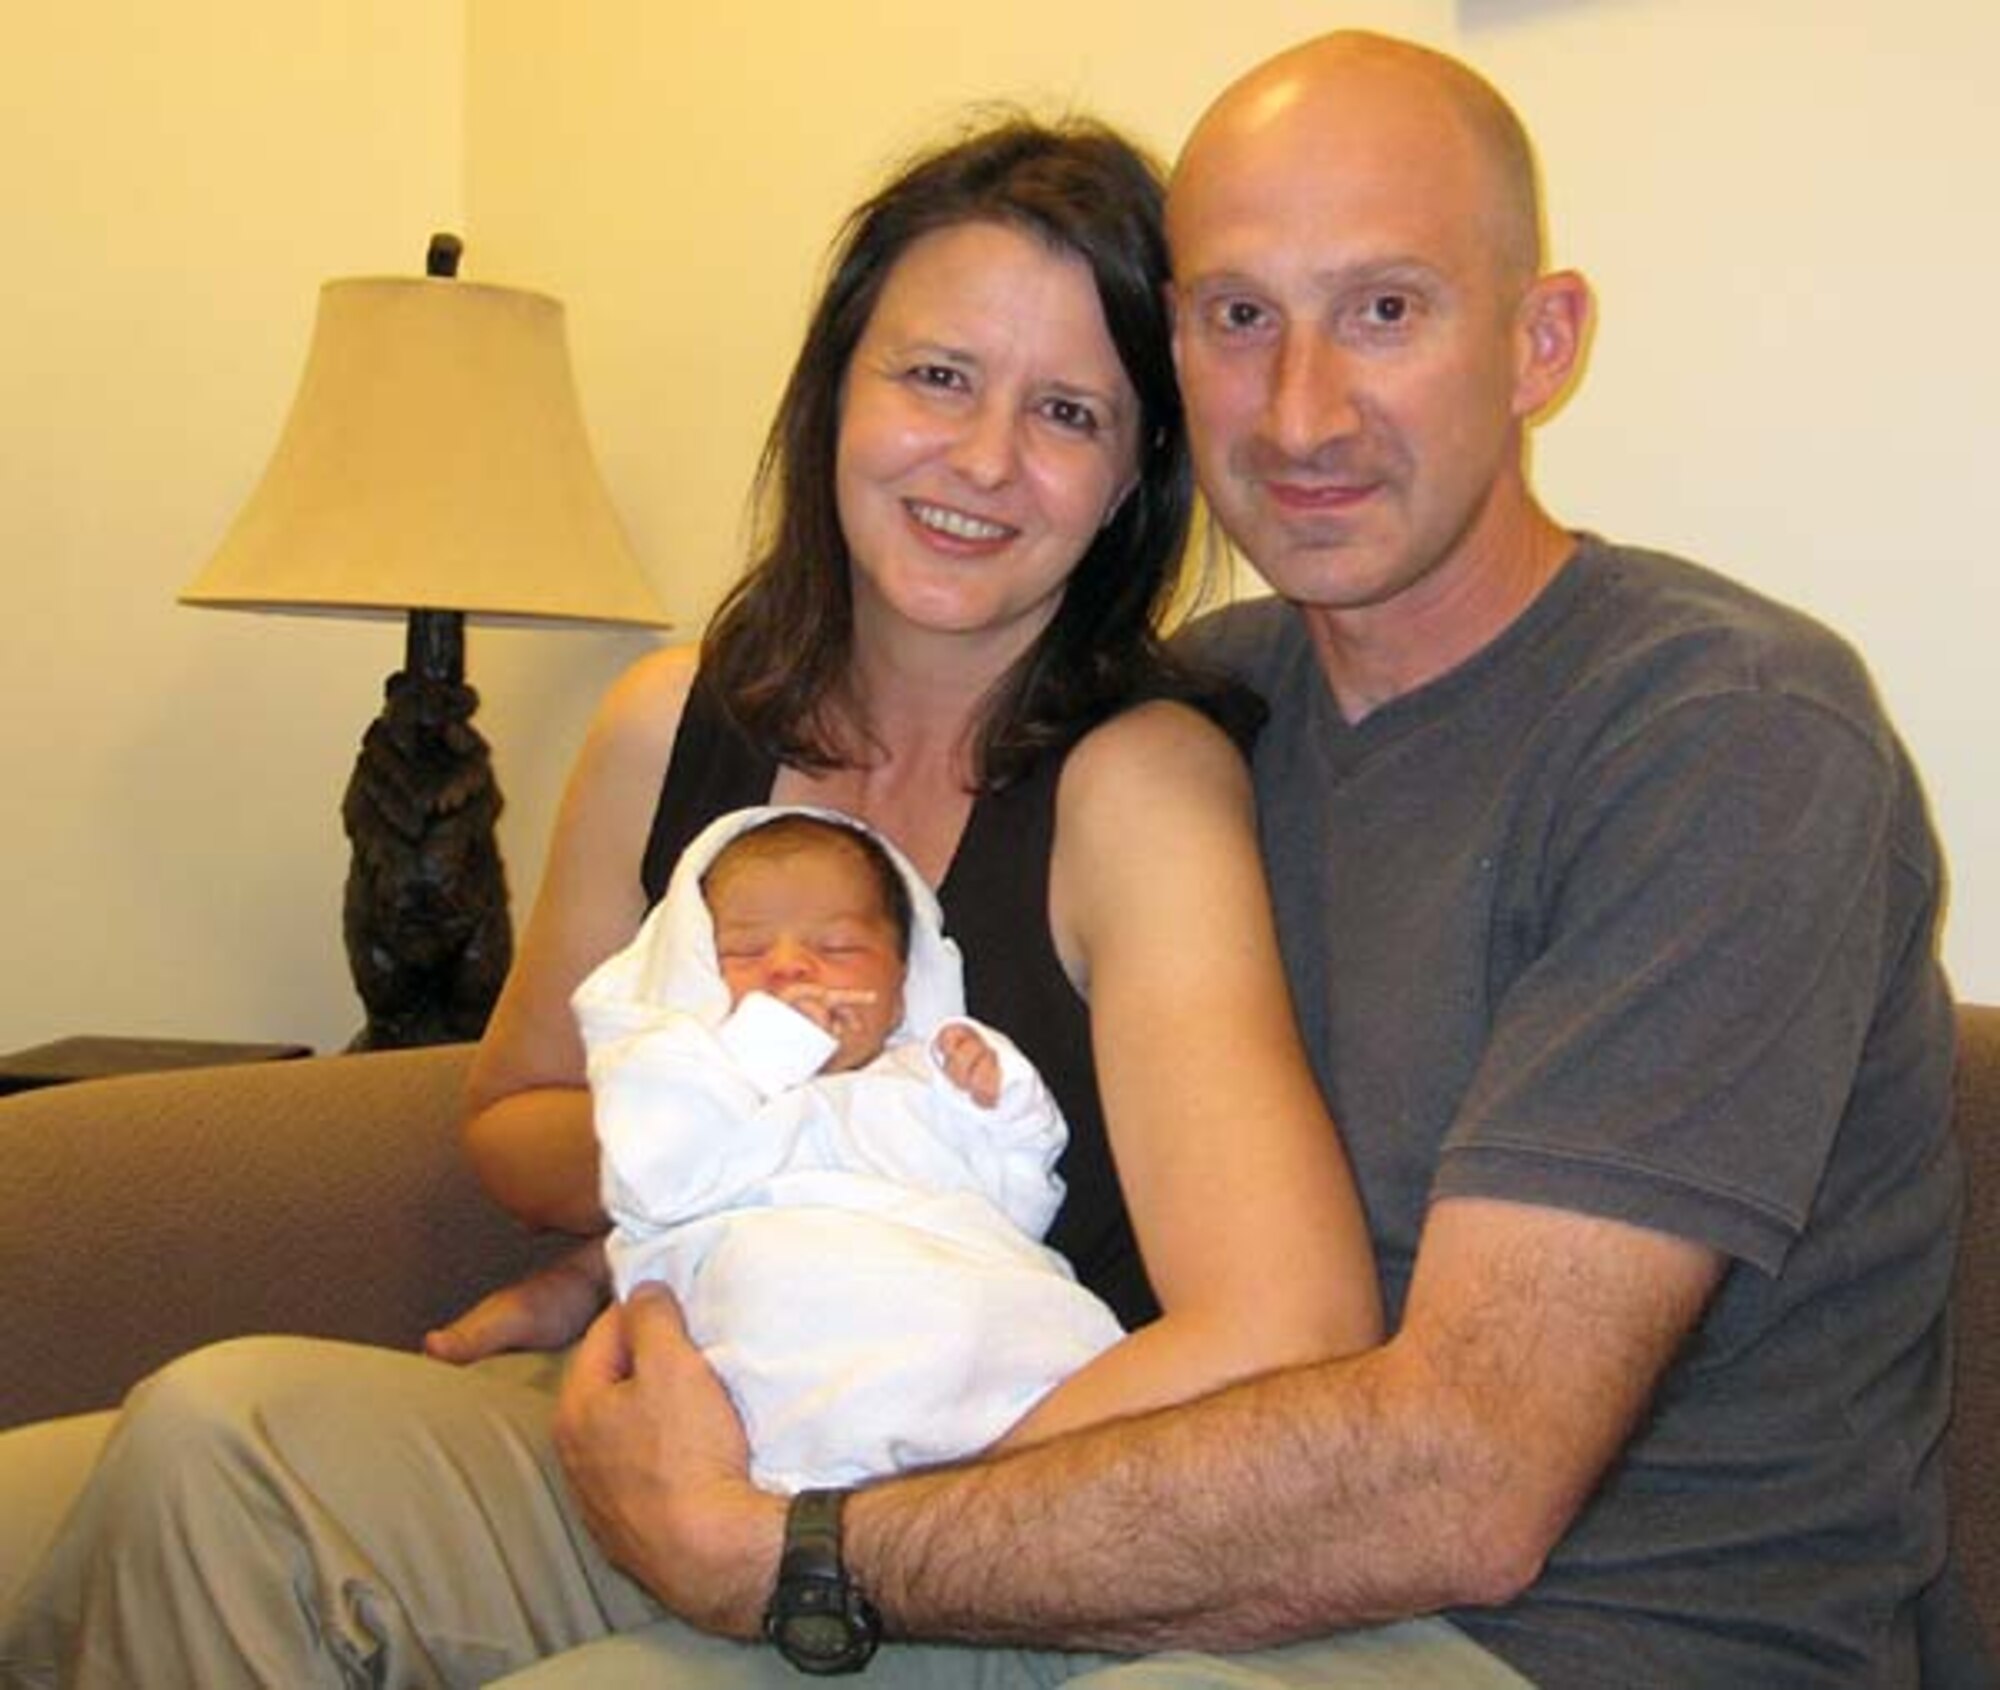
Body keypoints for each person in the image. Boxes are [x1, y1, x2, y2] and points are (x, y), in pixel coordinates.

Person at [533, 29, 1976, 1690]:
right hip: (1148, 1543)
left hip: (1579, 1632)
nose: (1301, 410)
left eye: (1385, 309)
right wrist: (678, 1231)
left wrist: (807, 1553)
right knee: (235, 1460)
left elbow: (1471, 1483)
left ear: (1541, 340)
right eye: (1238, 318)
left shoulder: (1721, 738)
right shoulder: (1200, 710)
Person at [0, 113, 1380, 1687]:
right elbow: (513, 1112)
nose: (985, 458)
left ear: (1138, 473)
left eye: (1067, 410)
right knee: (202, 1430)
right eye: (936, 376)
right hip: (682, 1381)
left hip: (958, 1487)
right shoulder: (672, 722)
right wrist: (706, 1148)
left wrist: (831, 1524)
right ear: (834, 390)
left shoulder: (1134, 785)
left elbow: (1287, 1322)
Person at [581, 804, 1124, 1493]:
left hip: (973, 1322)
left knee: (1040, 1316)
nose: (790, 968)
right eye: (744, 951)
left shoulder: (924, 1081)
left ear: (903, 988)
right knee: (772, 1281)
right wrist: (770, 1044)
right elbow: (657, 1178)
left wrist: (999, 1104)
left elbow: (1015, 1207)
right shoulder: (688, 1071)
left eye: (837, 948)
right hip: (796, 1319)